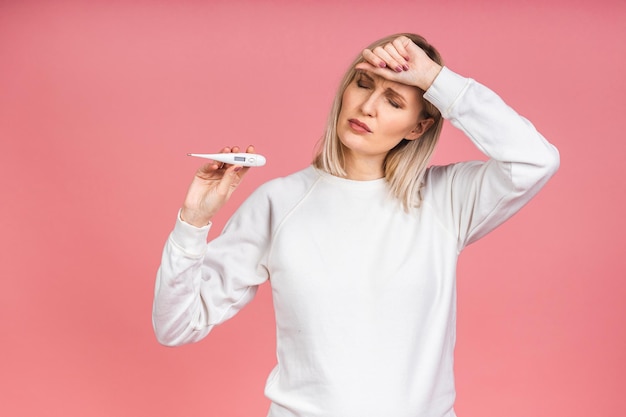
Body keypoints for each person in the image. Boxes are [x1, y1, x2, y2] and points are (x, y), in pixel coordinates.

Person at [152, 33, 560, 417]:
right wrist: (193, 221)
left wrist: (437, 81)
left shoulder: (445, 200)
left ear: (419, 127)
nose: (368, 106)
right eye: (363, 83)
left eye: (394, 101)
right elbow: (176, 325)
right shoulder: (279, 203)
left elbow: (535, 160)